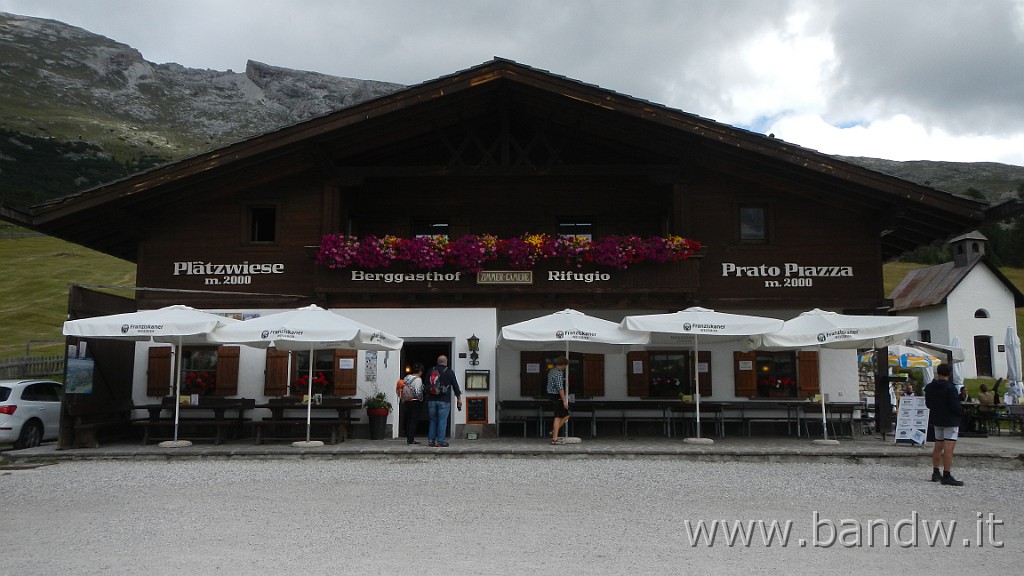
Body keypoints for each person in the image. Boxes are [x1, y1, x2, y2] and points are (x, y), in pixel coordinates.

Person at [924, 363, 964, 486]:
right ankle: (947, 474)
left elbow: (928, 404)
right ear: (949, 374)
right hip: (950, 420)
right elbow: (954, 405)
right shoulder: (950, 388)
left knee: (938, 445)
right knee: (949, 447)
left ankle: (936, 472)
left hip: (936, 418)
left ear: (937, 373)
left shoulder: (930, 387)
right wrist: (960, 412)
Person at [425, 355, 462, 448]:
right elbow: (455, 386)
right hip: (444, 400)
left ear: (437, 362)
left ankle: (431, 440)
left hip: (432, 400)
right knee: (442, 421)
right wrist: (459, 399)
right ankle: (440, 441)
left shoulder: (430, 371)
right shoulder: (449, 372)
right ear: (446, 362)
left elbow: (426, 385)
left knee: (433, 420)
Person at [547, 356, 571, 444]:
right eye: (566, 365)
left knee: (566, 415)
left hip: (551, 395)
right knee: (558, 417)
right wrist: (564, 400)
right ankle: (555, 438)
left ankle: (554, 432)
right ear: (564, 365)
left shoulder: (551, 371)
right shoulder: (558, 373)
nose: (566, 367)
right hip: (556, 396)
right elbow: (560, 388)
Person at [399, 363, 424, 445]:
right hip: (414, 401)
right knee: (413, 420)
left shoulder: (407, 377)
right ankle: (411, 438)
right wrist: (421, 399)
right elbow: (418, 392)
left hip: (406, 401)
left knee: (408, 420)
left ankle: (408, 437)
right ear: (420, 371)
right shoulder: (418, 379)